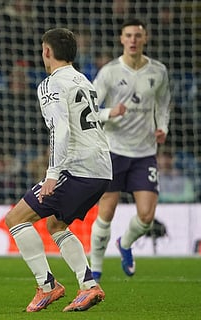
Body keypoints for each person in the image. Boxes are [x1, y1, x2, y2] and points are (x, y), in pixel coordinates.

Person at [4, 28, 111, 313]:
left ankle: (47, 285)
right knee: (55, 225)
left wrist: (53, 173)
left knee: (15, 219)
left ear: (47, 52)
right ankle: (88, 285)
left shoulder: (50, 84)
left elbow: (60, 129)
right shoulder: (84, 80)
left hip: (77, 167)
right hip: (101, 167)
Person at [89, 19, 171, 283]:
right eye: (128, 35)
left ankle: (125, 243)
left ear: (144, 39)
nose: (133, 40)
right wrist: (110, 112)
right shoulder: (110, 72)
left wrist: (163, 128)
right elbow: (89, 111)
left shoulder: (158, 71)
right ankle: (97, 269)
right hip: (114, 151)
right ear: (121, 39)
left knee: (146, 216)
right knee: (107, 211)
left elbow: (164, 105)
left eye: (138, 35)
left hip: (145, 152)